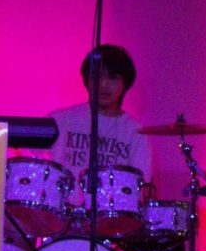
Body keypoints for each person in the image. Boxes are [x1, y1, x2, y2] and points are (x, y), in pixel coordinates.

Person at [46, 43, 153, 197]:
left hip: (111, 217)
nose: (103, 85)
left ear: (125, 84)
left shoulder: (135, 132)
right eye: (97, 76)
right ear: (87, 80)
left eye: (113, 78)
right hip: (60, 215)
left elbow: (141, 186)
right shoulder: (60, 120)